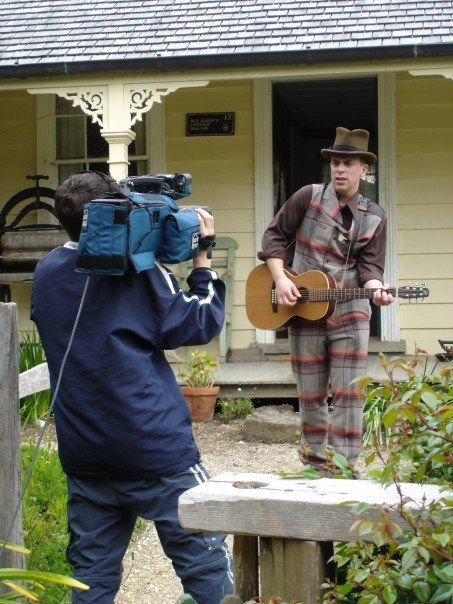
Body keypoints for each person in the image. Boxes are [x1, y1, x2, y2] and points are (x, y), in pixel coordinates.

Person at [31, 172, 233, 604]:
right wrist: (203, 260)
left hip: (86, 454)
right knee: (205, 564)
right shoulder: (140, 275)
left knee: (91, 579)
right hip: (155, 450)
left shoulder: (46, 272)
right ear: (114, 215)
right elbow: (201, 321)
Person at [258, 127, 394, 473]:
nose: (340, 169)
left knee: (350, 393)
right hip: (304, 309)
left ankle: (345, 469)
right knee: (311, 393)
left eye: (348, 163)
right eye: (335, 162)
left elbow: (371, 267)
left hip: (351, 311)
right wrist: (280, 279)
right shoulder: (308, 197)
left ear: (364, 169)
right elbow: (274, 237)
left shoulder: (374, 216)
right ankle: (316, 466)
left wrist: (377, 289)